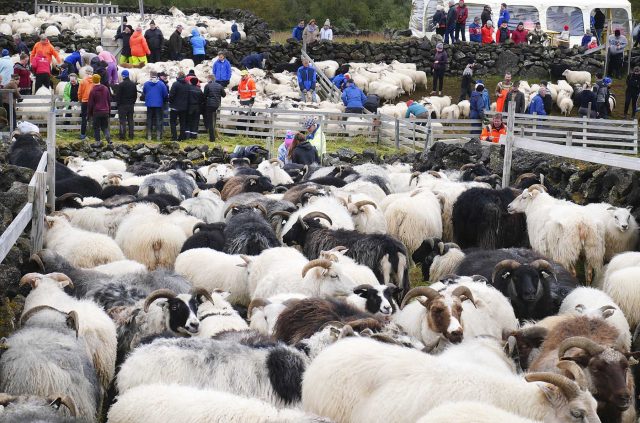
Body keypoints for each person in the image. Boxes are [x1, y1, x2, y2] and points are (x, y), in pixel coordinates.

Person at [87, 73, 111, 147]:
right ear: (99, 80)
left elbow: (90, 103)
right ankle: (108, 139)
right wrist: (109, 111)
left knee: (96, 127)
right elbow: (108, 100)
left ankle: (97, 141)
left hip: (97, 111)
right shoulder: (106, 88)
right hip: (105, 111)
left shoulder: (93, 90)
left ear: (93, 81)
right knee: (105, 127)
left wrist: (89, 113)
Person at [143, 70, 168, 141]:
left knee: (149, 119)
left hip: (149, 104)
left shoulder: (146, 84)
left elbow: (144, 92)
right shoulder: (161, 84)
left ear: (150, 75)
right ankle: (158, 136)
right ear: (157, 75)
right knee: (158, 120)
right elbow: (165, 94)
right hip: (159, 104)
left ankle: (149, 136)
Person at [114, 69, 137, 140]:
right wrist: (132, 102)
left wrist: (118, 104)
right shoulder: (133, 84)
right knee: (130, 120)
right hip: (130, 105)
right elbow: (135, 95)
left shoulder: (121, 85)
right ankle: (131, 135)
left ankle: (122, 136)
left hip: (122, 106)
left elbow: (118, 96)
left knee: (122, 121)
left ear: (123, 76)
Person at [203, 74, 226, 142]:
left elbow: (204, 96)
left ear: (210, 79)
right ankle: (215, 135)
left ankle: (212, 138)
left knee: (210, 122)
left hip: (210, 105)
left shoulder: (207, 86)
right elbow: (224, 95)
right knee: (213, 120)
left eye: (207, 79)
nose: (207, 80)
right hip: (217, 104)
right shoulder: (219, 85)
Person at [168, 72, 189, 140]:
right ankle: (182, 137)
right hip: (184, 107)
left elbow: (171, 95)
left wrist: (171, 102)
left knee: (173, 122)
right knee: (182, 122)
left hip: (175, 107)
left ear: (178, 76)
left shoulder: (175, 84)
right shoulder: (187, 84)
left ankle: (174, 137)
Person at [77, 68, 95, 140]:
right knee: (93, 117)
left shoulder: (83, 81)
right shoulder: (95, 81)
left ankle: (82, 134)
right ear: (92, 73)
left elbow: (79, 92)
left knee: (84, 118)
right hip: (93, 102)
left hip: (84, 101)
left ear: (86, 72)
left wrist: (80, 99)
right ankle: (94, 134)